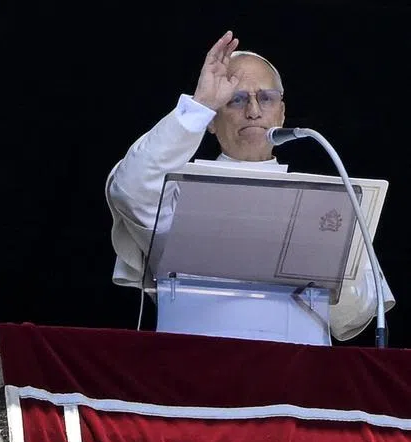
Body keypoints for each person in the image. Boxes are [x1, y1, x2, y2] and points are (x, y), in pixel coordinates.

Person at [105, 30, 395, 342]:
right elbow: (130, 188)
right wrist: (199, 105)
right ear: (211, 121)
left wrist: (326, 263)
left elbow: (358, 310)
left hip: (299, 377)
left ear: (282, 114)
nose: (254, 111)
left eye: (266, 98)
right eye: (236, 100)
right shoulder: (180, 193)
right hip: (195, 369)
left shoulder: (322, 205)